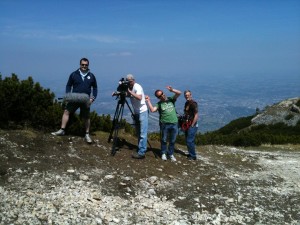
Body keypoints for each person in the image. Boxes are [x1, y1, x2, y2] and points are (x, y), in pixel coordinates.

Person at [51, 58, 98, 143]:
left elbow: (95, 88)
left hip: (86, 99)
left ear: (88, 65)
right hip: (74, 98)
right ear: (80, 65)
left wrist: (92, 98)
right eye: (82, 64)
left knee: (86, 117)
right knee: (66, 112)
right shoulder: (73, 74)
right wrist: (68, 95)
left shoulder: (91, 76)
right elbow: (68, 85)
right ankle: (62, 130)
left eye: (86, 65)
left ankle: (87, 134)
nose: (84, 66)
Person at [146, 86, 181, 161]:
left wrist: (172, 90)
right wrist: (148, 101)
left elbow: (179, 93)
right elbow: (152, 110)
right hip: (164, 124)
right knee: (164, 140)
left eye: (162, 93)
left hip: (174, 123)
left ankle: (171, 154)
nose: (162, 95)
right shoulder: (159, 104)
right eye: (160, 95)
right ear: (158, 97)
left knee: (172, 140)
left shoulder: (171, 100)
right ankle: (163, 153)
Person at [126, 74, 148, 159]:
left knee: (142, 133)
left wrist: (130, 92)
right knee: (139, 133)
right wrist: (118, 93)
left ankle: (141, 152)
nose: (129, 83)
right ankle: (140, 148)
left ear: (133, 80)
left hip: (142, 111)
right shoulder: (130, 87)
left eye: (130, 81)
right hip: (136, 112)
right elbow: (129, 96)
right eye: (128, 81)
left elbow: (139, 97)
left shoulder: (137, 86)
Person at [183, 90, 199, 160]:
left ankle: (193, 156)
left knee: (190, 140)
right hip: (187, 124)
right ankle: (191, 153)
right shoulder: (187, 103)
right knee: (188, 140)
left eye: (188, 95)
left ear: (191, 95)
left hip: (192, 125)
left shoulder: (193, 104)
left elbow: (196, 115)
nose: (187, 96)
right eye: (186, 95)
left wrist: (192, 125)